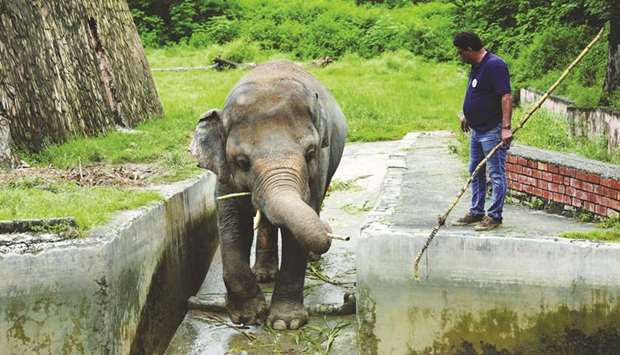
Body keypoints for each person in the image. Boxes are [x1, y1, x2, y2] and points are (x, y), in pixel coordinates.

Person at [452, 32, 513, 231]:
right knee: (475, 170)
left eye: (461, 52)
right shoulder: (476, 67)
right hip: (477, 130)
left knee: (496, 173)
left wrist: (505, 128)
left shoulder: (495, 65)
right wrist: (467, 114)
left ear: (469, 49)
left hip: (492, 129)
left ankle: (494, 216)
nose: (459, 56)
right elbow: (477, 93)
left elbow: (505, 96)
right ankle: (476, 211)